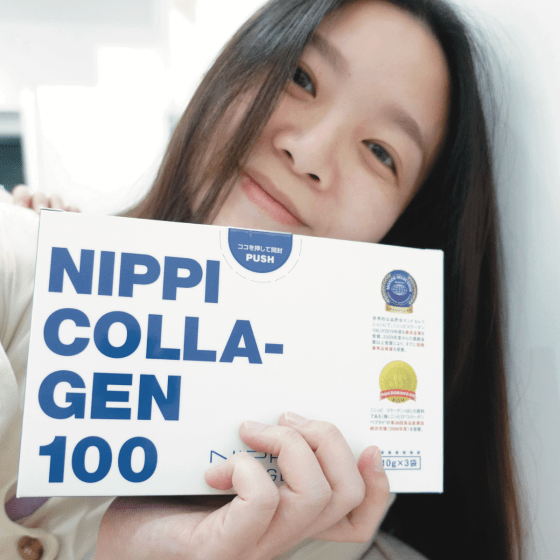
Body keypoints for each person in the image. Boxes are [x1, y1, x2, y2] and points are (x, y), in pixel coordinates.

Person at [1, 0, 522, 559]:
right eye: (300, 77)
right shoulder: (17, 265)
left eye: (380, 152)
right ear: (231, 70)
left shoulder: (336, 526)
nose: (308, 153)